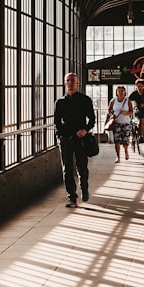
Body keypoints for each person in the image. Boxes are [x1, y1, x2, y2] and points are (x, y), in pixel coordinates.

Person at [54, 72, 96, 208]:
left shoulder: (85, 100)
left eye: (73, 80)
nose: (70, 82)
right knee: (67, 169)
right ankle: (72, 197)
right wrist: (60, 135)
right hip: (66, 139)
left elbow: (92, 119)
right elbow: (56, 122)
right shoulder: (60, 102)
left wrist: (85, 130)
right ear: (65, 83)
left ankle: (84, 187)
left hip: (80, 138)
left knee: (82, 167)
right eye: (68, 80)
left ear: (77, 82)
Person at [107, 85, 134, 162]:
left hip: (126, 123)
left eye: (122, 91)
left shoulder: (128, 101)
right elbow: (109, 110)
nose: (120, 92)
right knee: (117, 140)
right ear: (116, 92)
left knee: (125, 140)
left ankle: (126, 151)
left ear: (125, 92)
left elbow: (132, 112)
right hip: (116, 123)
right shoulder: (113, 101)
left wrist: (125, 113)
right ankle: (118, 157)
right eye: (119, 91)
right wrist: (112, 115)